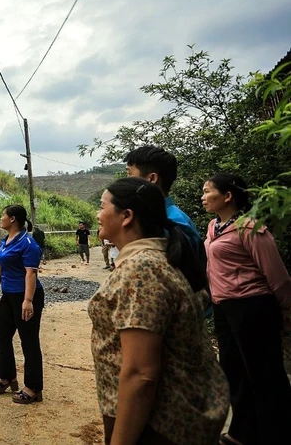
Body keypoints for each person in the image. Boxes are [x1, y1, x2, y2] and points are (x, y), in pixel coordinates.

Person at [90, 177, 227, 445]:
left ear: (126, 216)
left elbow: (141, 373)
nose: (97, 213)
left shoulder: (142, 270)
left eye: (102, 205)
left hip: (156, 423)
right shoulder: (152, 260)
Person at [202, 173, 291, 445]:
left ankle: (277, 433)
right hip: (225, 308)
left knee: (264, 373)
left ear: (227, 196)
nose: (203, 197)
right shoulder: (213, 227)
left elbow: (278, 275)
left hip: (253, 308)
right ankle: (242, 432)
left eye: (207, 191)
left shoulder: (250, 228)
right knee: (233, 370)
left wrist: (287, 310)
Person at [0, 204, 45, 405]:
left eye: (3, 215)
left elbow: (31, 273)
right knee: (1, 333)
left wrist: (28, 301)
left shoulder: (28, 243)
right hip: (9, 295)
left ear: (13, 219)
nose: (0, 218)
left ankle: (33, 387)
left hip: (26, 296)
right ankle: (7, 376)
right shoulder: (5, 241)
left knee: (28, 340)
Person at [125, 146, 203, 257]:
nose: (125, 181)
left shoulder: (175, 224)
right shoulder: (155, 218)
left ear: (152, 179)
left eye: (129, 174)